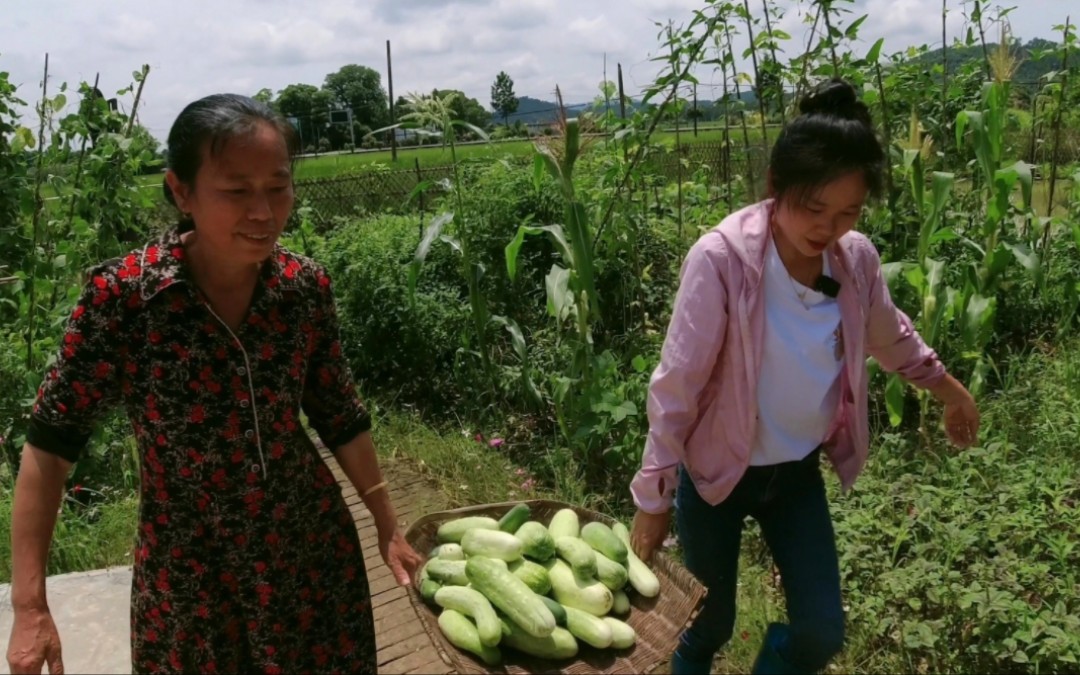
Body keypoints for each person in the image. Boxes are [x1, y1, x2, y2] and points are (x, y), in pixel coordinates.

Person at [6, 93, 424, 675]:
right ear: (181, 191)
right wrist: (30, 608)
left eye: (278, 187)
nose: (264, 212)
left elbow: (340, 414)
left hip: (308, 558)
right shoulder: (124, 299)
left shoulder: (303, 291)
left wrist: (387, 524)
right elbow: (49, 450)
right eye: (236, 190)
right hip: (189, 579)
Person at [628, 79, 980, 675]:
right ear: (775, 187)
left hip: (794, 475)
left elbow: (887, 332)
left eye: (848, 212)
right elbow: (676, 385)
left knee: (820, 632)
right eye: (814, 209)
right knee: (706, 622)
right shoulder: (722, 262)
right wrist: (653, 496)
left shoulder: (854, 259)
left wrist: (948, 388)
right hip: (715, 475)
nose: (829, 228)